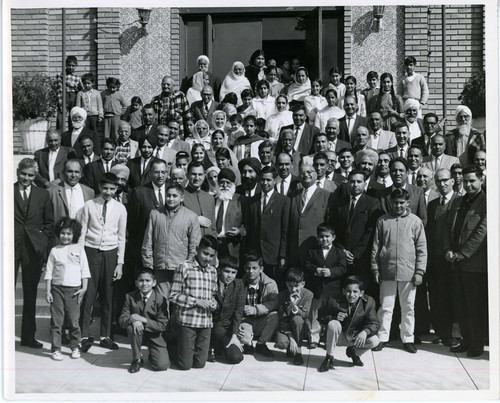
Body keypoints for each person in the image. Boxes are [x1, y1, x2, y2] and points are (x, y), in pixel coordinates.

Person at [371, 188, 427, 353]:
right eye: (395, 202)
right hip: (387, 270)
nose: (398, 205)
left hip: (408, 272)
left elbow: (422, 248)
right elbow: (376, 246)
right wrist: (375, 268)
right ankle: (382, 337)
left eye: (402, 202)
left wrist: (419, 271)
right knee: (386, 307)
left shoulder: (415, 221)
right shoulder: (383, 221)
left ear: (407, 203)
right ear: (391, 202)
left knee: (408, 307)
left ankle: (408, 338)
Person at [78, 172, 127, 353]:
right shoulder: (89, 205)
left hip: (111, 253)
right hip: (91, 252)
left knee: (108, 296)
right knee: (89, 294)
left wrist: (119, 263)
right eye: (105, 188)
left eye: (112, 189)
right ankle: (83, 335)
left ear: (116, 189)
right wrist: (80, 258)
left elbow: (121, 237)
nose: (108, 192)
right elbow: (82, 232)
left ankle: (105, 335)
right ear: (99, 187)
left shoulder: (121, 208)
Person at [444, 165, 487, 357]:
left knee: (474, 305)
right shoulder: (457, 202)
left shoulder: (487, 202)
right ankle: (466, 340)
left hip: (474, 264)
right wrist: (448, 249)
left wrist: (463, 253)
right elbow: (448, 229)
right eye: (466, 180)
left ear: (481, 180)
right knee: (460, 304)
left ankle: (477, 344)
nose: (468, 184)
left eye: (472, 181)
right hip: (455, 262)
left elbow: (481, 232)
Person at [15, 158, 54, 348]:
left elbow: (49, 223)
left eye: (31, 175)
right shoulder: (7, 191)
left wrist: (42, 242)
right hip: (10, 248)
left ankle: (28, 336)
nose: (27, 178)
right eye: (24, 174)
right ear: (17, 172)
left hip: (33, 250)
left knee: (30, 295)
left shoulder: (43, 194)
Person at [142, 183, 202, 298]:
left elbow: (194, 245)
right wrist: (148, 265)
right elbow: (148, 242)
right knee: (162, 300)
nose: (171, 199)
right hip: (160, 267)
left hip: (180, 267)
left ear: (182, 198)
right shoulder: (155, 214)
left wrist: (189, 266)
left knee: (178, 299)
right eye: (168, 195)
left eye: (175, 196)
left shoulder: (191, 217)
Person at [169, 235, 219, 370]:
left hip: (205, 322)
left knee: (200, 364)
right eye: (205, 253)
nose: (207, 258)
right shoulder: (184, 267)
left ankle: (187, 351)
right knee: (185, 365)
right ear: (197, 249)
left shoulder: (213, 271)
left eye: (211, 255)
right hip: (187, 321)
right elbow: (173, 296)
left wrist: (213, 303)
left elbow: (213, 294)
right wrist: (196, 301)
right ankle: (171, 347)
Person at [45, 217, 90, 361]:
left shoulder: (79, 249)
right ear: (58, 234)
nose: (66, 236)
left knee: (73, 321)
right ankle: (56, 349)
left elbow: (85, 270)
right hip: (57, 289)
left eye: (69, 234)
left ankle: (75, 347)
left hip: (74, 291)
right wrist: (48, 291)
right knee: (56, 321)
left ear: (74, 235)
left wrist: (84, 288)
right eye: (63, 233)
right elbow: (49, 272)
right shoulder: (54, 251)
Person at [330, 169, 382, 290]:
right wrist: (343, 250)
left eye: (359, 181)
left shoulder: (372, 203)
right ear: (347, 183)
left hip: (362, 259)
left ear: (364, 183)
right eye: (352, 181)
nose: (356, 185)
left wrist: (355, 254)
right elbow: (334, 228)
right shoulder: (339, 203)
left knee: (361, 290)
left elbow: (370, 232)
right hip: (342, 257)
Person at [426, 168, 460, 347]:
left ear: (453, 180)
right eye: (438, 181)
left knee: (453, 297)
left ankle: (454, 334)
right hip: (436, 259)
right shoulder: (432, 205)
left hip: (453, 259)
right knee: (438, 297)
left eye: (445, 180)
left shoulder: (459, 201)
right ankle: (442, 332)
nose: (442, 184)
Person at [317, 275, 380, 371]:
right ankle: (329, 357)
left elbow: (375, 323)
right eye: (348, 291)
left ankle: (354, 352)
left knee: (375, 340)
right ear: (343, 291)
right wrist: (334, 317)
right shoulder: (333, 300)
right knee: (333, 324)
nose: (351, 295)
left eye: (355, 292)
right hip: (337, 337)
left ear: (361, 293)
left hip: (355, 336)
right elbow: (320, 316)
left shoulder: (368, 302)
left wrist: (365, 332)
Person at [244, 166, 290, 288]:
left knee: (272, 286)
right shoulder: (252, 201)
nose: (265, 183)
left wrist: (282, 255)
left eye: (268, 180)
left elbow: (285, 230)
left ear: (275, 180)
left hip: (273, 254)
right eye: (262, 180)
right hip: (255, 253)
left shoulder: (283, 201)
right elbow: (249, 227)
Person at [119, 268, 170, 373]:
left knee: (162, 365)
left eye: (148, 281)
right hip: (138, 333)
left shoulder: (160, 299)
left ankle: (153, 354)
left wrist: (142, 319)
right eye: (141, 281)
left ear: (154, 283)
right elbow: (122, 320)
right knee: (131, 327)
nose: (144, 283)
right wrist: (132, 319)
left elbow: (162, 326)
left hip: (154, 335)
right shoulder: (130, 297)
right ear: (136, 283)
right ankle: (137, 359)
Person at [304, 222, 346, 348]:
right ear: (318, 238)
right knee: (315, 314)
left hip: (333, 290)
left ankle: (329, 338)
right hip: (316, 289)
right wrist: (315, 270)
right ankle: (314, 338)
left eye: (327, 236)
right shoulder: (312, 251)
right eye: (321, 237)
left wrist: (331, 272)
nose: (324, 239)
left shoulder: (339, 253)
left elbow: (342, 268)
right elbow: (306, 264)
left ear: (333, 237)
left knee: (331, 313)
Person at [287, 164, 331, 267]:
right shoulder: (292, 196)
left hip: (315, 251)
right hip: (294, 252)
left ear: (316, 175)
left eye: (309, 172)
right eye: (302, 172)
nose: (305, 174)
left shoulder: (327, 196)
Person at [238, 254, 279, 357]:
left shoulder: (270, 283)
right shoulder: (239, 284)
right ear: (244, 268)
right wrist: (242, 308)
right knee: (244, 339)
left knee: (275, 316)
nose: (251, 271)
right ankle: (248, 343)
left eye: (254, 268)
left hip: (262, 320)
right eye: (248, 268)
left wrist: (256, 309)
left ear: (261, 269)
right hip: (245, 320)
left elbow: (275, 303)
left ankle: (261, 344)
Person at [209, 256, 245, 364]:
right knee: (218, 330)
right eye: (227, 271)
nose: (230, 275)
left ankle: (219, 347)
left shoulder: (238, 285)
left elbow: (238, 312)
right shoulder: (211, 282)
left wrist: (234, 335)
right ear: (219, 270)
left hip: (226, 329)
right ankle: (209, 347)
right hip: (211, 326)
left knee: (236, 358)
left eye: (233, 272)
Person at [274, 268, 313, 365]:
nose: (293, 289)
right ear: (286, 284)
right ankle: (291, 346)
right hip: (287, 327)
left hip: (301, 327)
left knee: (297, 319)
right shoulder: (282, 296)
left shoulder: (308, 294)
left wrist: (294, 306)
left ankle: (298, 351)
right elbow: (282, 319)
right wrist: (291, 338)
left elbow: (305, 315)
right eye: (290, 286)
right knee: (281, 343)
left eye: (296, 286)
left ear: (303, 284)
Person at [48, 159, 95, 224]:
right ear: (63, 173)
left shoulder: (89, 192)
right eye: (70, 171)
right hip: (60, 232)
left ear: (80, 174)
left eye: (76, 172)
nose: (73, 175)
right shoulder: (51, 192)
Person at [214, 168, 247, 259]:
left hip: (232, 245)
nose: (224, 185)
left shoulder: (241, 200)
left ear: (233, 184)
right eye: (222, 182)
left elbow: (248, 224)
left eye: (228, 182)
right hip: (214, 245)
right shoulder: (211, 200)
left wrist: (239, 231)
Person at [183, 162, 217, 236]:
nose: (197, 178)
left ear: (204, 176)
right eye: (193, 174)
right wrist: (195, 220)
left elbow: (213, 227)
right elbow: (173, 222)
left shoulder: (210, 198)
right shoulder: (180, 195)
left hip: (208, 245)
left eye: (200, 174)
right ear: (187, 175)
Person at [56, 55, 82, 131]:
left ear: (76, 66)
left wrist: (74, 86)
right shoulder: (60, 75)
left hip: (73, 98)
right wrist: (61, 102)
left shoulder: (77, 77)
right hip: (64, 97)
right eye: (69, 65)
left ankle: (71, 138)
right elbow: (59, 89)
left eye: (73, 66)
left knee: (73, 119)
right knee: (60, 121)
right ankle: (60, 139)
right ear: (66, 65)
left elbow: (81, 90)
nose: (71, 67)